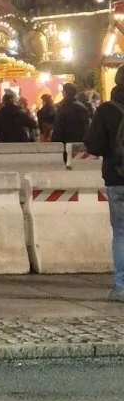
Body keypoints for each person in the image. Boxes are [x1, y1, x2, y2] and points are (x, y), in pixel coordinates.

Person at [79, 64, 124, 301]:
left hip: (117, 176)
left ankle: (121, 286)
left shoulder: (106, 110)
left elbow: (94, 144)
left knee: (121, 232)